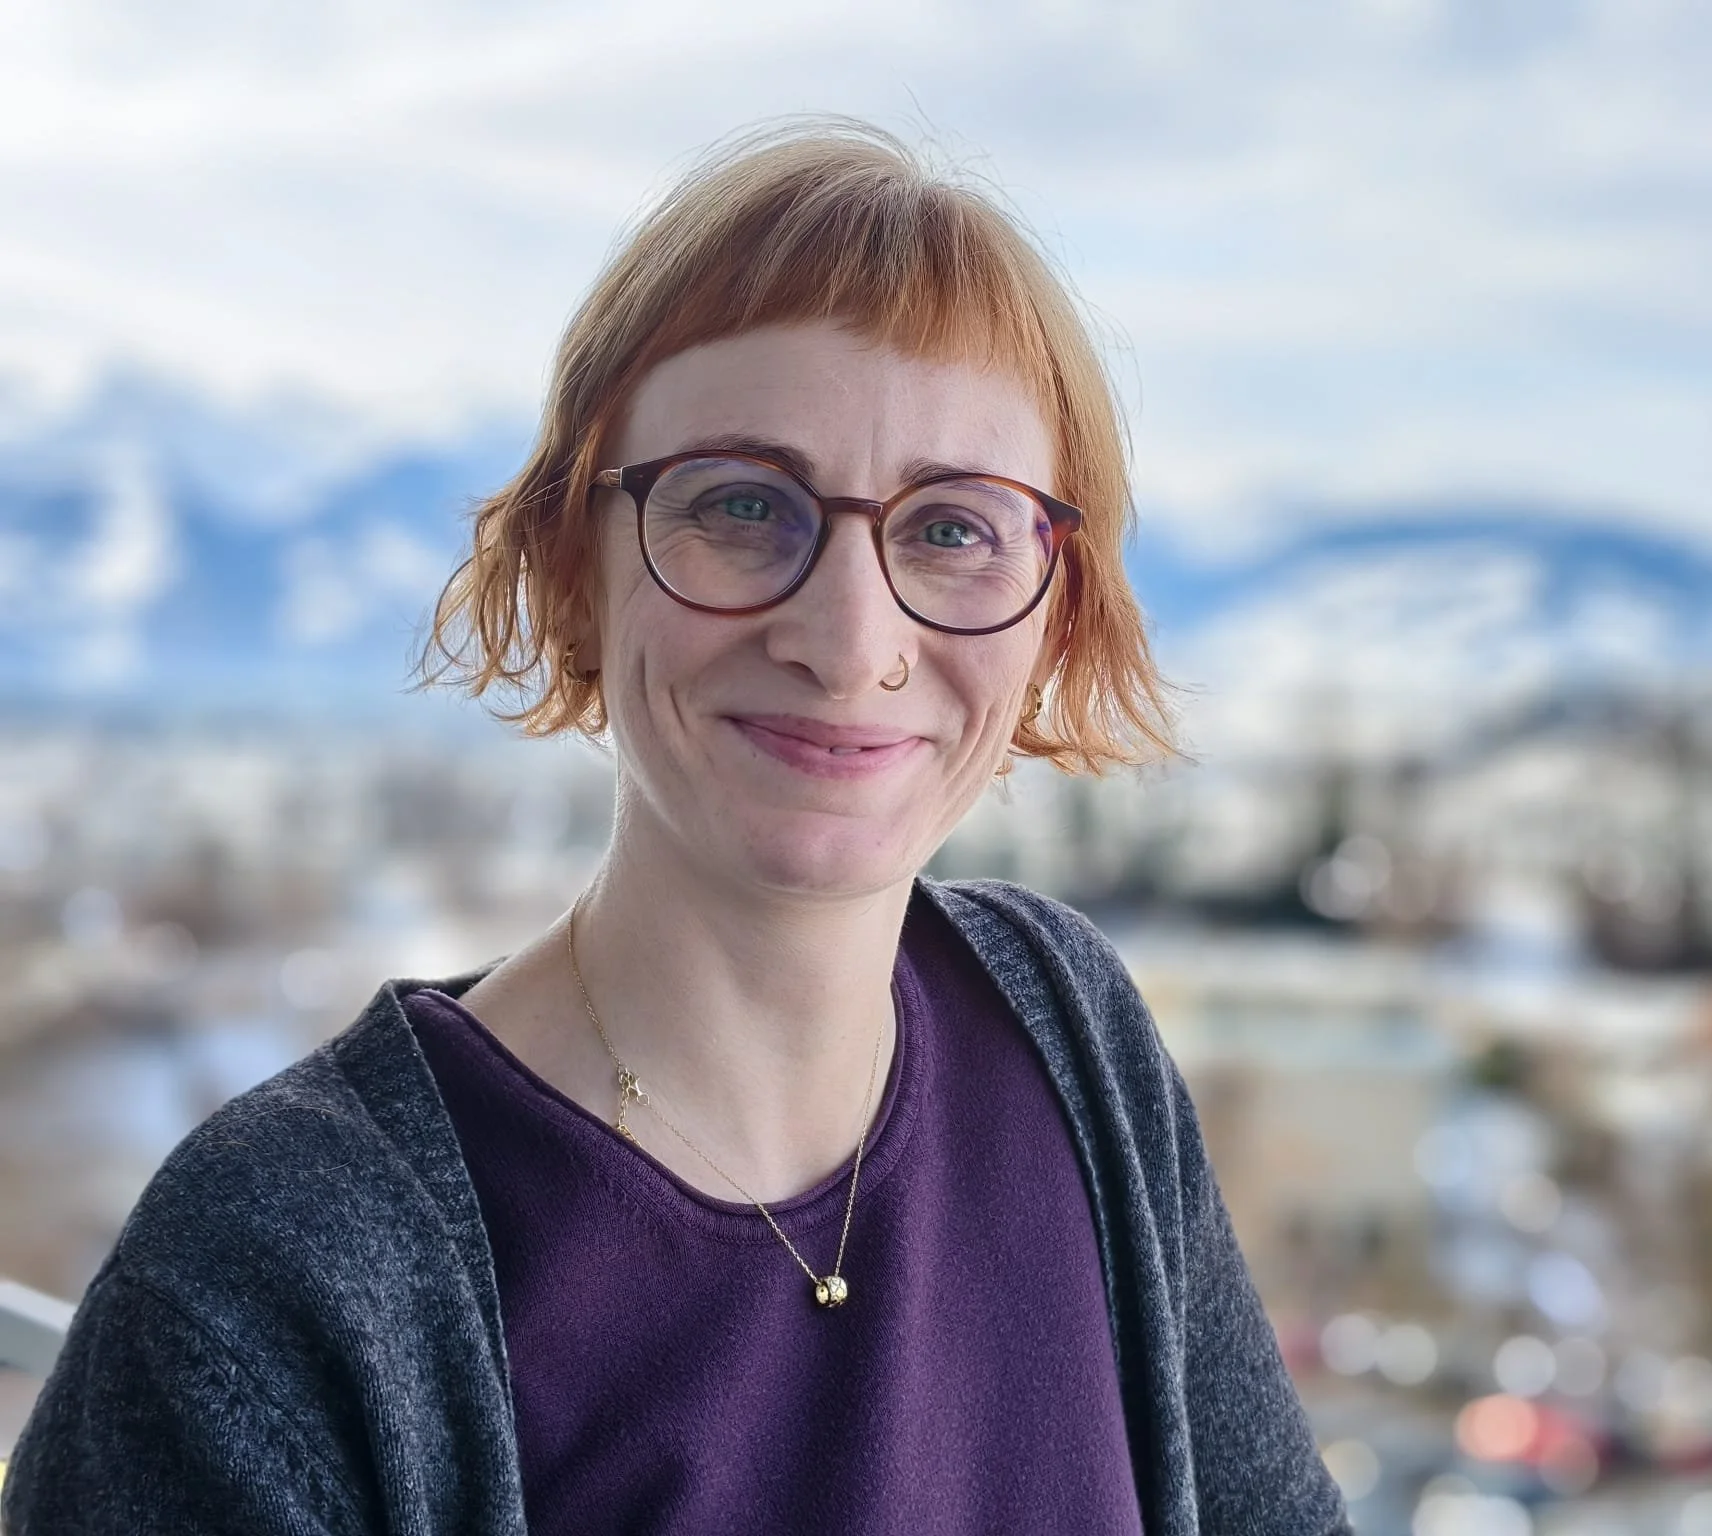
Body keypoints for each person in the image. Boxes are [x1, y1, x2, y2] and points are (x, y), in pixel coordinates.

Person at [3, 121, 1349, 1534]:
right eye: (741, 506)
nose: (847, 640)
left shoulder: (1071, 1042)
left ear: (1052, 614)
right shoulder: (271, 1287)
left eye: (953, 529)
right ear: (568, 571)